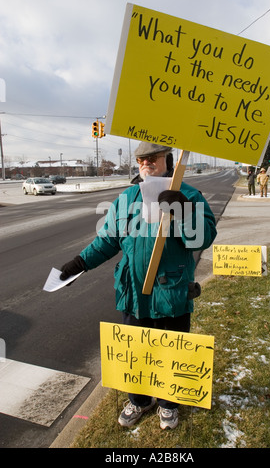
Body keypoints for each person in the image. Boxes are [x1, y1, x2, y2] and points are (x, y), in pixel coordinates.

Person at [59, 142, 217, 430]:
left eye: (152, 158)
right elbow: (108, 240)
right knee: (136, 352)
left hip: (171, 291)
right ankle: (140, 400)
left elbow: (202, 239)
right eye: (141, 159)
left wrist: (182, 211)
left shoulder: (190, 195)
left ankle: (169, 404)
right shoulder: (127, 198)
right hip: (133, 291)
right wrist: (79, 264)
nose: (146, 163)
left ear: (168, 160)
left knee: (171, 349)